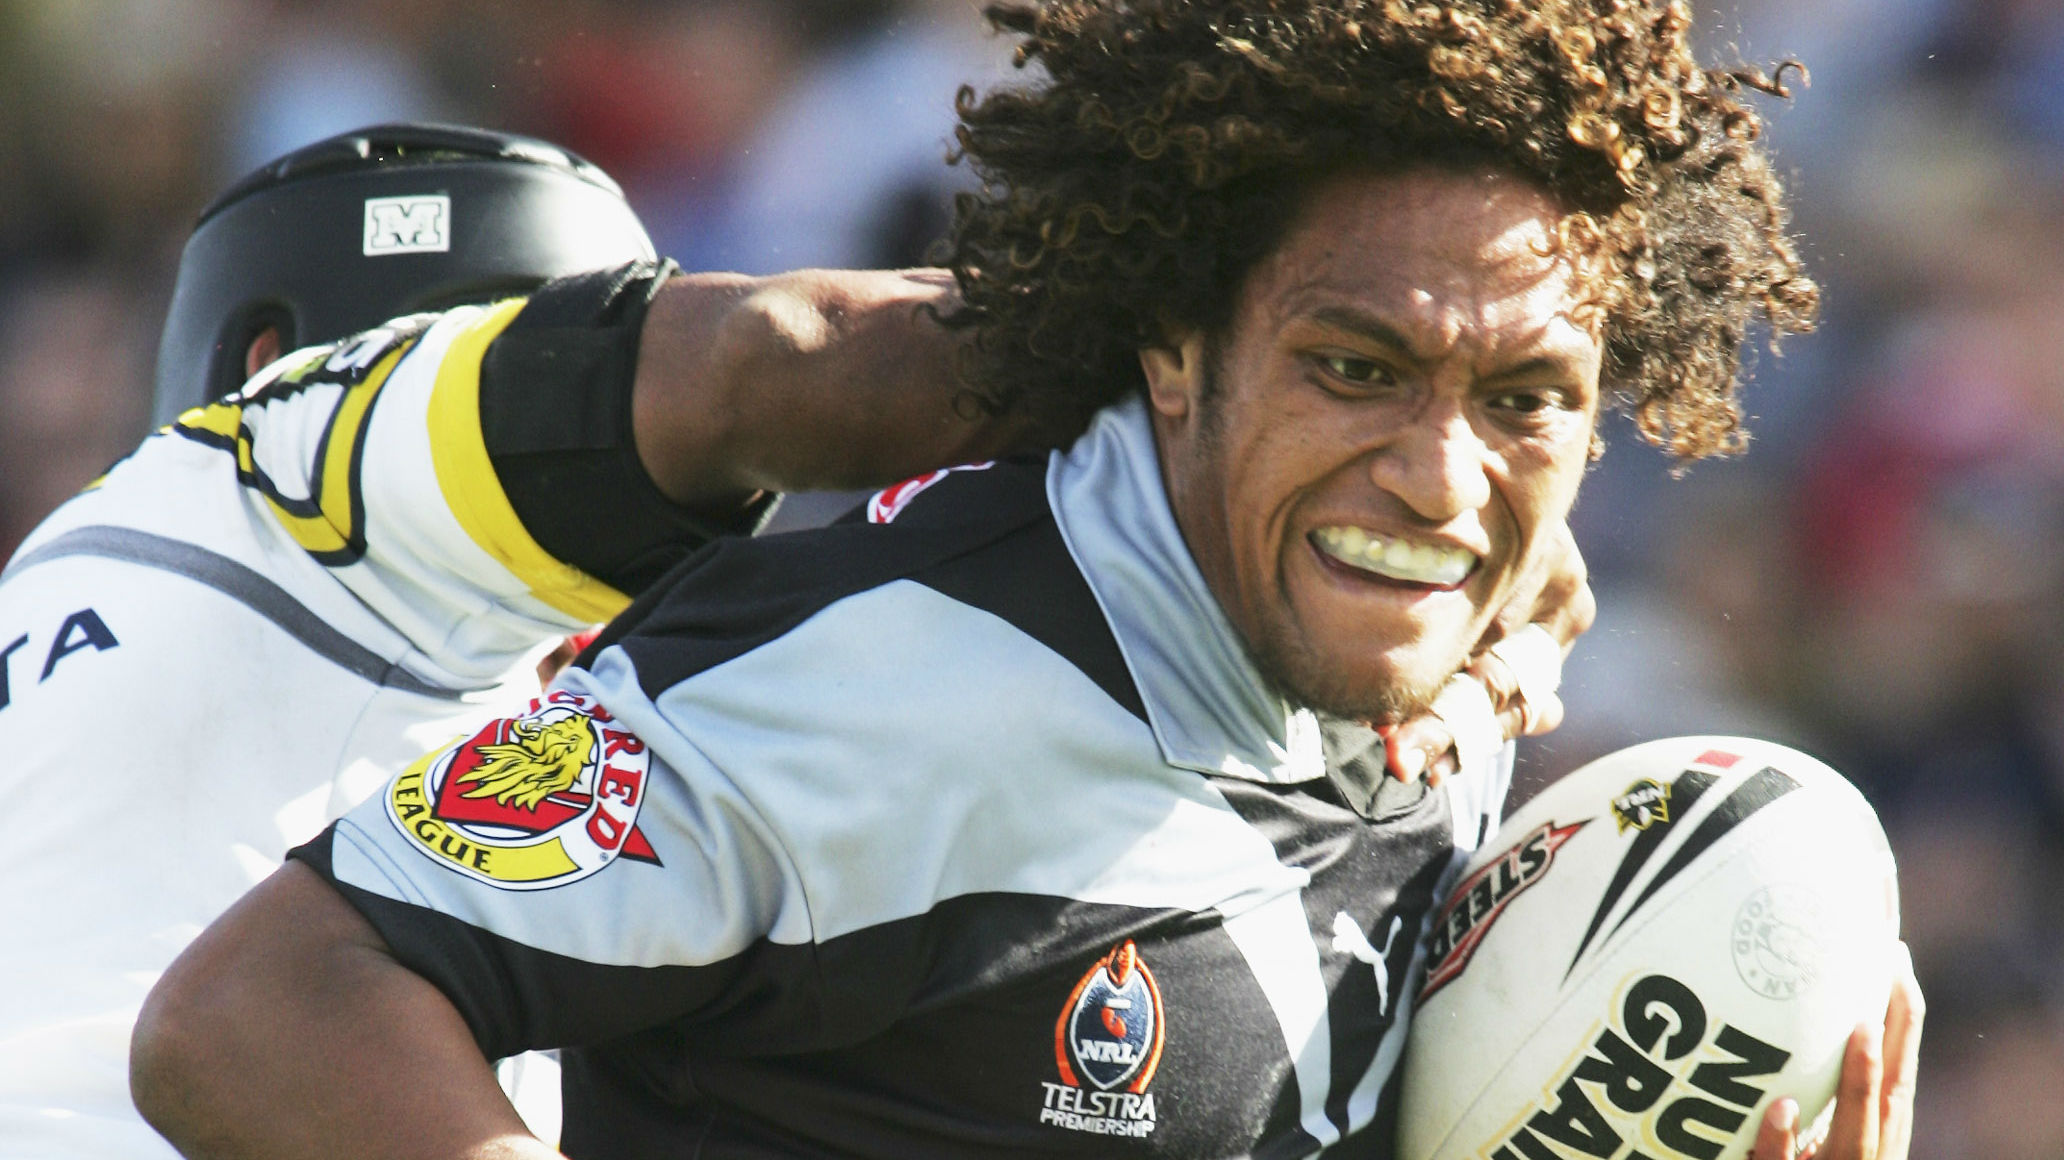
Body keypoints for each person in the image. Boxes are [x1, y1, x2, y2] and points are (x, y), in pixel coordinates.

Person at [131, 1, 1889, 1155]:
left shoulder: (1430, 648)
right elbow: (257, 1014)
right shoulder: (883, 682)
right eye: (1353, 368)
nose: (1439, 475)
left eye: (1524, 401)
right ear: (1174, 348)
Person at [0, 122, 1046, 1157]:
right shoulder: (284, 452)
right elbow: (756, 361)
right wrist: (1106, 320)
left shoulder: (60, 592)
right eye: (520, 331)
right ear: (276, 361)